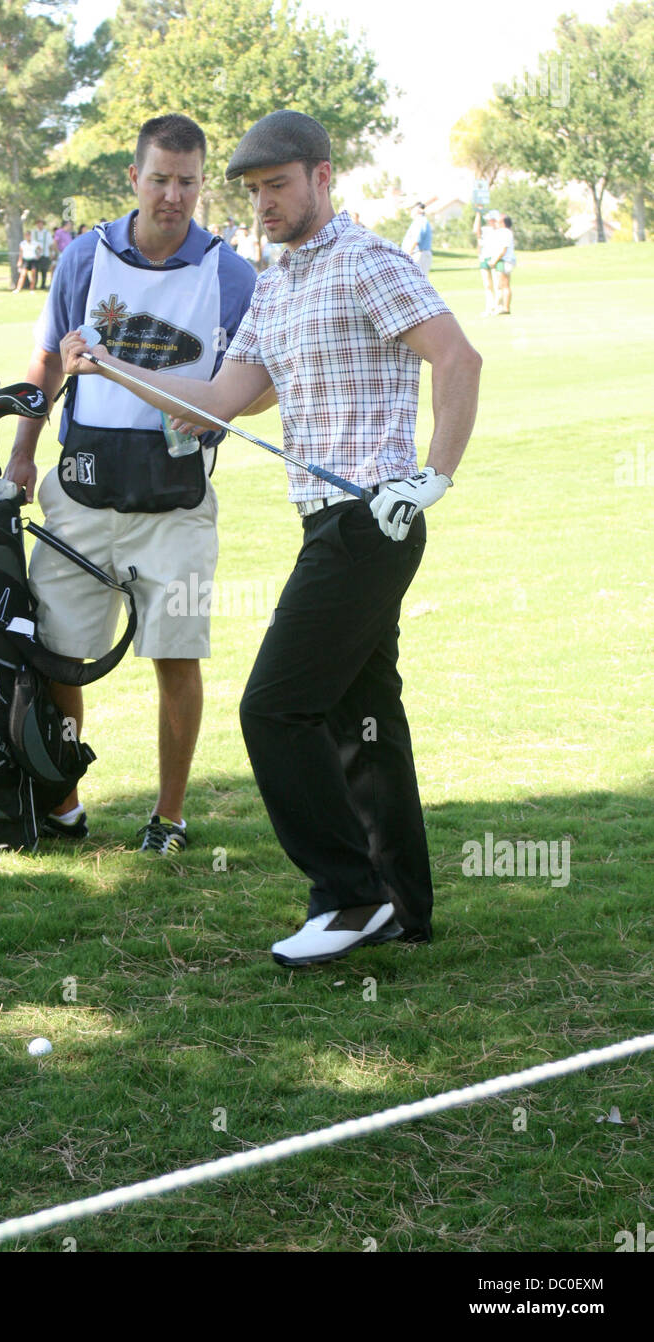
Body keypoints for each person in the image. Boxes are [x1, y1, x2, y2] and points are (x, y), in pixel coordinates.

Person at [60, 110, 481, 964]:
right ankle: (401, 909)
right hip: (324, 522)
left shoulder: (369, 262)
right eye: (253, 193)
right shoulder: (278, 283)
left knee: (275, 707)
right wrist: (108, 364)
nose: (264, 206)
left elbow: (458, 358)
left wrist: (432, 476)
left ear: (322, 177)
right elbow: (215, 402)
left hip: (374, 519)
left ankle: (347, 895)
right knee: (363, 721)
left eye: (278, 187)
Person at [4, 113, 257, 854]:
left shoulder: (230, 273)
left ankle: (168, 818)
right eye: (159, 179)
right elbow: (46, 361)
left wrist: (220, 412)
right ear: (133, 179)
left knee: (175, 656)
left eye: (186, 181)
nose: (172, 195)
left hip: (173, 505)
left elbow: (256, 381)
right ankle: (64, 805)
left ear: (201, 183)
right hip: (79, 493)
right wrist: (24, 453)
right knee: (58, 656)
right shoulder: (84, 258)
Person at [475, 209, 503, 315]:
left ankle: (498, 306)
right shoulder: (485, 229)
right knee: (487, 285)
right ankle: (489, 307)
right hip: (484, 257)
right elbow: (476, 231)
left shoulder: (500, 231)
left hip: (495, 257)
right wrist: (478, 213)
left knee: (497, 284)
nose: (489, 221)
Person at [493, 215, 516, 315]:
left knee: (505, 285)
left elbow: (503, 249)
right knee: (503, 285)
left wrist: (494, 260)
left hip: (505, 261)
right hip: (505, 261)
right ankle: (504, 306)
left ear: (503, 223)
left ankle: (506, 307)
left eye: (499, 221)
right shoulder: (506, 233)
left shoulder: (506, 233)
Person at [402, 202, 433, 275]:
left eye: (412, 209)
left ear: (418, 210)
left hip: (418, 254)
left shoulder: (420, 221)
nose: (411, 212)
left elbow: (416, 239)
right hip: (417, 254)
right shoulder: (418, 221)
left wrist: (408, 254)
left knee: (418, 281)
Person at [32, 218, 53, 290]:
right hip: (35, 255)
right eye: (38, 224)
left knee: (44, 270)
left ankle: (43, 284)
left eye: (41, 224)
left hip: (45, 253)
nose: (39, 225)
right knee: (36, 270)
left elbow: (50, 244)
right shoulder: (34, 233)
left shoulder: (47, 233)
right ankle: (34, 284)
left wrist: (51, 253)